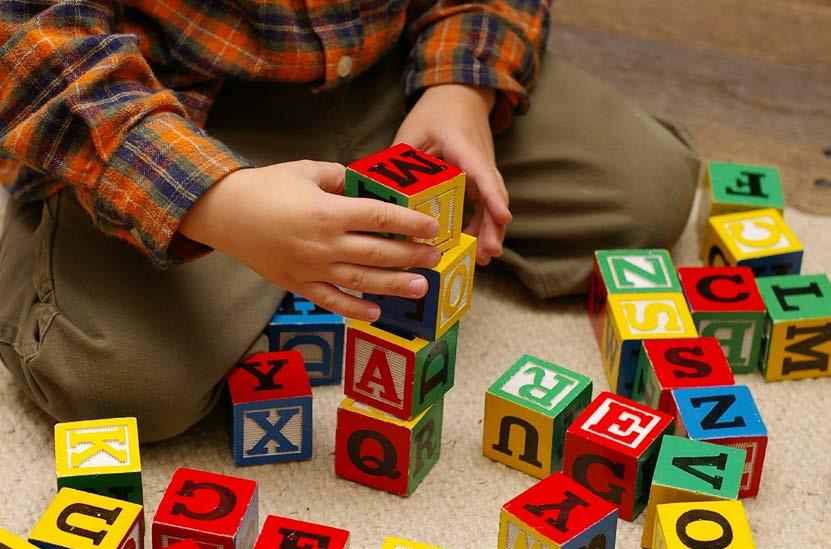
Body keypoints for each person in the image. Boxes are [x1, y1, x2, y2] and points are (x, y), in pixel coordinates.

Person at [0, 1, 699, 441]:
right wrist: (222, 202)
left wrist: (461, 84)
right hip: (166, 109)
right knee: (123, 383)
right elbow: (28, 43)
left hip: (393, 74)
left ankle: (319, 241)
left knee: (652, 190)